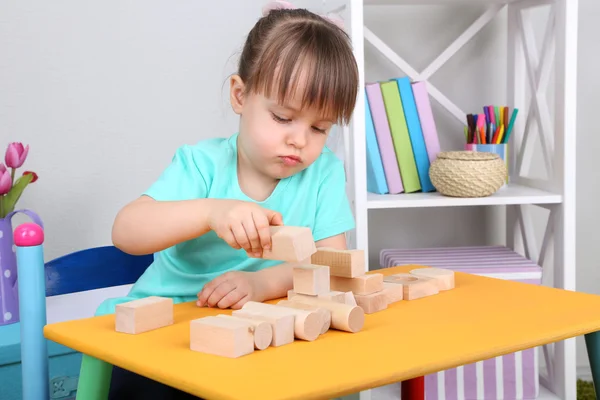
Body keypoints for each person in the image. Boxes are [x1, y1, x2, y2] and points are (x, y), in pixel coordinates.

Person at [100, 1, 359, 398]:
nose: (300, 140)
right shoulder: (202, 164)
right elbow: (126, 231)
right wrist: (210, 211)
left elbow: (333, 268)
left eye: (319, 127)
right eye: (283, 117)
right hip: (168, 328)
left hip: (256, 328)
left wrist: (260, 284)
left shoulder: (322, 171)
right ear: (240, 95)